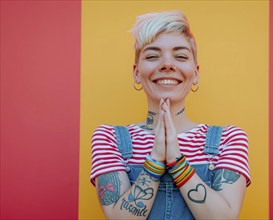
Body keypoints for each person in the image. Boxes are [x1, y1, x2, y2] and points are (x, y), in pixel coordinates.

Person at [90, 10, 251, 219]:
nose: (167, 64)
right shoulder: (108, 138)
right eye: (152, 56)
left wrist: (176, 159)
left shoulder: (229, 139)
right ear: (137, 73)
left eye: (181, 56)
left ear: (196, 74)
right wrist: (156, 158)